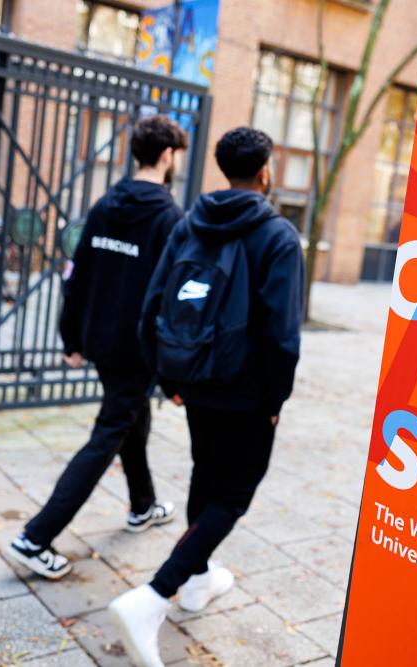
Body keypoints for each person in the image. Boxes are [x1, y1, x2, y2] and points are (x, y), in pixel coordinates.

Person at [109, 127, 304, 666]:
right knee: (233, 496)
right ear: (264, 171)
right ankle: (154, 596)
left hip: (195, 380)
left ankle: (197, 580)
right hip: (247, 393)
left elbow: (151, 306)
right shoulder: (278, 236)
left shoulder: (191, 223)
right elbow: (282, 336)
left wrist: (169, 381)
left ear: (224, 169)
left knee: (206, 472)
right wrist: (274, 402)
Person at [6, 115, 189, 579]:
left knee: (131, 417)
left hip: (101, 342)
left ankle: (143, 505)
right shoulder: (169, 218)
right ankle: (35, 537)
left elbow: (78, 275)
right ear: (167, 156)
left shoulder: (106, 204)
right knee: (109, 432)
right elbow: (171, 297)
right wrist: (173, 364)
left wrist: (72, 337)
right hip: (136, 350)